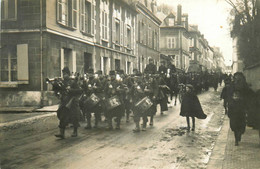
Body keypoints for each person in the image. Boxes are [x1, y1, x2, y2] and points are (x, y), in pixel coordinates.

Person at [55, 67, 82, 139]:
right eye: (63, 74)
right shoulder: (62, 82)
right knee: (63, 116)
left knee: (74, 116)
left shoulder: (73, 82)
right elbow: (58, 90)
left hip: (72, 101)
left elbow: (79, 90)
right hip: (65, 101)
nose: (64, 75)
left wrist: (71, 90)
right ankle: (61, 133)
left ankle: (75, 131)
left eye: (66, 74)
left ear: (68, 74)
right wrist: (56, 85)